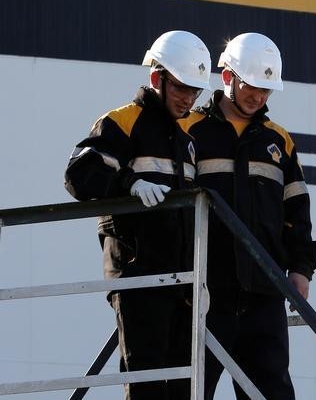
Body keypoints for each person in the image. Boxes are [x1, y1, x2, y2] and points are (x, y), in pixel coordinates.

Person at [64, 30, 211, 400]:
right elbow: (78, 174)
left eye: (195, 91)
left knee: (183, 387)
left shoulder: (186, 139)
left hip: (182, 281)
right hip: (138, 274)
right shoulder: (122, 121)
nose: (188, 98)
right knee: (145, 385)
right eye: (180, 88)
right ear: (156, 77)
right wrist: (129, 183)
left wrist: (202, 277)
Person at [182, 32, 316, 400]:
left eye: (266, 90)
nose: (258, 97)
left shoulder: (280, 141)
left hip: (263, 293)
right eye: (251, 86)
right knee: (188, 389)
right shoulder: (189, 130)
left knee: (270, 391)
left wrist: (301, 268)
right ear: (227, 78)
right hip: (204, 292)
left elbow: (297, 211)